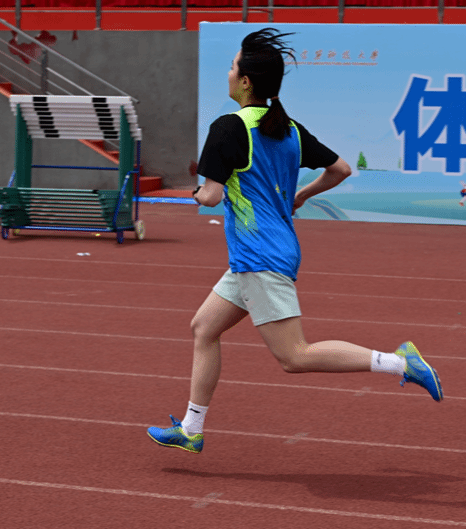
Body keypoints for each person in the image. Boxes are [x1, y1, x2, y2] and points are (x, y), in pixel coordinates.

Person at [147, 28, 442, 454]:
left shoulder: (229, 127)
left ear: (245, 81)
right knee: (204, 328)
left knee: (295, 357)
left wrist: (195, 193)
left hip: (260, 255)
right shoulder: (288, 129)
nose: (227, 74)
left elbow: (209, 196)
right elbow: (341, 169)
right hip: (262, 253)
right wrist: (301, 195)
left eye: (232, 67)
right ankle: (191, 429)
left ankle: (400, 362)